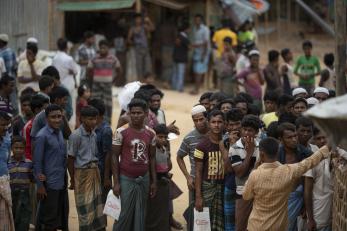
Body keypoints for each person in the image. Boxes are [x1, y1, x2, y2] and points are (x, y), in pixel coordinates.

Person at [242, 137, 331, 231]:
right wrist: (328, 146)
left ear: (261, 154)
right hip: (278, 227)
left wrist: (255, 169)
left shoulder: (255, 175)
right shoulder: (288, 171)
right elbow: (309, 162)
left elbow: (246, 196)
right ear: (277, 153)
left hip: (256, 226)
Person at [111, 98, 157, 231]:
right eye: (133, 113)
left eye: (139, 113)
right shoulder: (121, 132)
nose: (136, 116)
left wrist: (153, 181)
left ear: (146, 114)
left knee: (141, 213)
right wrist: (116, 182)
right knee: (123, 214)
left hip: (144, 178)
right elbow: (114, 156)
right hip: (126, 178)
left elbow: (152, 158)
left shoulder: (151, 133)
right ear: (129, 114)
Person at [68, 106, 106, 230]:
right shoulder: (76, 136)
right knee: (84, 207)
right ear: (82, 119)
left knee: (96, 207)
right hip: (82, 174)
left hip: (94, 172)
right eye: (90, 119)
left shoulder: (93, 134)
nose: (94, 122)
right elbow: (71, 158)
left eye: (95, 119)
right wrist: (72, 179)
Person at [33, 104, 69, 230]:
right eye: (53, 117)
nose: (57, 119)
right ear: (47, 118)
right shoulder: (42, 136)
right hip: (49, 184)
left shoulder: (59, 132)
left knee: (57, 218)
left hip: (61, 181)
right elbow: (37, 162)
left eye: (59, 116)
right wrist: (40, 186)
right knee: (49, 219)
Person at [176, 105, 208, 230]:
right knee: (195, 215)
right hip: (195, 182)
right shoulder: (189, 138)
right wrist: (188, 177)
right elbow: (179, 157)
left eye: (201, 119)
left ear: (206, 117)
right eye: (195, 120)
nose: (199, 123)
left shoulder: (215, 134)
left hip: (213, 180)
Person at [277, 122, 313, 231]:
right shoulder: (276, 154)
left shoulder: (306, 153)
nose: (294, 139)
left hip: (299, 197)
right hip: (279, 198)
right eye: (289, 137)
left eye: (295, 136)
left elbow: (309, 184)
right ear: (281, 139)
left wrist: (305, 205)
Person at [194, 110, 225, 231]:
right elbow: (198, 172)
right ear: (208, 123)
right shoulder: (201, 146)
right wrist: (198, 197)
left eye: (219, 122)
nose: (216, 125)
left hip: (223, 189)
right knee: (205, 225)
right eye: (213, 122)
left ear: (224, 123)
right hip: (208, 189)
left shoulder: (228, 143)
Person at [230, 115, 261, 231]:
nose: (246, 133)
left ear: (256, 132)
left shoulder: (261, 147)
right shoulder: (234, 148)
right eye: (245, 129)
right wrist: (250, 153)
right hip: (242, 192)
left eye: (250, 130)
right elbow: (240, 173)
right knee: (241, 226)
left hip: (259, 193)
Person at [304, 129, 333, 231]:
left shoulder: (337, 156)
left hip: (335, 210)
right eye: (318, 139)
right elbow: (307, 192)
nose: (322, 141)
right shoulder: (312, 161)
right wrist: (311, 219)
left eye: (324, 137)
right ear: (314, 141)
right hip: (319, 213)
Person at [220, 108, 243, 231]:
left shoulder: (250, 139)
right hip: (230, 185)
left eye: (237, 123)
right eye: (231, 124)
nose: (234, 127)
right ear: (226, 126)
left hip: (247, 187)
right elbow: (228, 169)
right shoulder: (224, 141)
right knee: (230, 223)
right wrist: (232, 145)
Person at [88, 40, 121, 123]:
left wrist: (113, 80)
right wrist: (93, 80)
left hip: (107, 86)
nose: (102, 49)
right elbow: (89, 70)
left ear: (108, 48)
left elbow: (119, 69)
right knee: (94, 103)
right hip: (96, 86)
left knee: (108, 104)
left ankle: (107, 122)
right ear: (99, 48)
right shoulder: (94, 58)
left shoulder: (113, 58)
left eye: (104, 48)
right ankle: (92, 121)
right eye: (101, 48)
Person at [146, 124, 171, 231]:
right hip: (155, 183)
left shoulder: (164, 149)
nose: (163, 140)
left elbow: (169, 166)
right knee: (153, 212)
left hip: (164, 183)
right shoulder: (152, 150)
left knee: (162, 211)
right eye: (160, 137)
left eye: (165, 137)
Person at [88, 98, 113, 203]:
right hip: (91, 171)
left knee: (100, 205)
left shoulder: (105, 130)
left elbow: (108, 154)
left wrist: (107, 177)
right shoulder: (90, 127)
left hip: (101, 172)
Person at [8, 136, 33, 231]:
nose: (19, 150)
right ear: (11, 148)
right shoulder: (7, 163)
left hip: (24, 196)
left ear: (25, 148)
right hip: (11, 195)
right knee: (12, 219)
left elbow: (33, 179)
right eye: (16, 148)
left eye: (21, 148)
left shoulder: (29, 163)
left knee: (24, 219)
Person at [127, 13, 155, 80]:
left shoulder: (144, 27)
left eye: (139, 19)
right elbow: (128, 39)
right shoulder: (132, 28)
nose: (138, 20)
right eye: (137, 19)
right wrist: (133, 43)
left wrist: (149, 21)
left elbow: (153, 28)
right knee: (139, 66)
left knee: (147, 65)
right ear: (134, 20)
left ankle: (146, 80)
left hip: (145, 48)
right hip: (138, 49)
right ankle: (140, 81)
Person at [23, 94, 49, 160]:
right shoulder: (28, 127)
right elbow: (28, 150)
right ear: (37, 110)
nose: (49, 112)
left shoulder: (51, 122)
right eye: (45, 110)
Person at [0, 111, 14, 231]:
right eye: (2, 125)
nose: (5, 128)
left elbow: (8, 160)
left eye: (7, 125)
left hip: (4, 181)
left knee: (4, 216)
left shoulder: (7, 140)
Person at [191, 14, 210, 95]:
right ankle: (196, 88)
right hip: (196, 52)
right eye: (195, 20)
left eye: (198, 20)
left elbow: (206, 43)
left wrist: (203, 55)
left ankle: (197, 90)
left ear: (201, 20)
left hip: (203, 53)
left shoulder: (205, 29)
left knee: (199, 72)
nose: (196, 21)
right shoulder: (195, 28)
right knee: (196, 71)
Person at [172, 23, 190, 92]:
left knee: (175, 72)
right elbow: (189, 47)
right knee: (180, 73)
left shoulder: (178, 36)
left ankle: (174, 86)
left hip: (175, 56)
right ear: (186, 29)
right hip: (182, 58)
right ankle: (179, 87)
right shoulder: (185, 38)